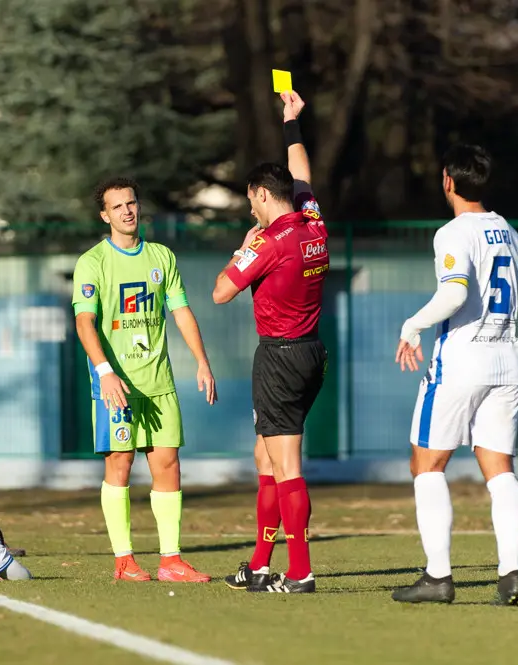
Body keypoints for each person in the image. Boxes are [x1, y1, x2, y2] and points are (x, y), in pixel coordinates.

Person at [391, 144, 518, 606]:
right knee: (500, 470)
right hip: (505, 359)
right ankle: (510, 571)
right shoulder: (510, 232)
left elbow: (454, 294)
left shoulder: (453, 232)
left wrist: (412, 326)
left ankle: (438, 576)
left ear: (447, 180)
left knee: (426, 464)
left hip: (462, 360)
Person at [71, 176, 218, 583]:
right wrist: (105, 372)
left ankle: (171, 561)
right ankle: (124, 561)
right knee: (119, 463)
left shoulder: (161, 257)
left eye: (131, 203)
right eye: (117, 206)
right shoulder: (93, 262)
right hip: (116, 384)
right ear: (105, 215)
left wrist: (202, 361)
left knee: (168, 463)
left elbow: (181, 311)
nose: (127, 211)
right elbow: (84, 323)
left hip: (159, 382)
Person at [211, 90, 328, 594]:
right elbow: (300, 175)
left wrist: (242, 249)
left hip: (280, 357)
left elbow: (220, 293)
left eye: (250, 201)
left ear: (261, 194)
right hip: (312, 351)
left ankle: (300, 572)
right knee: (265, 459)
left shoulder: (267, 242)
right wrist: (291, 123)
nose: (251, 210)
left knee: (286, 467)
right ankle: (260, 565)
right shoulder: (312, 220)